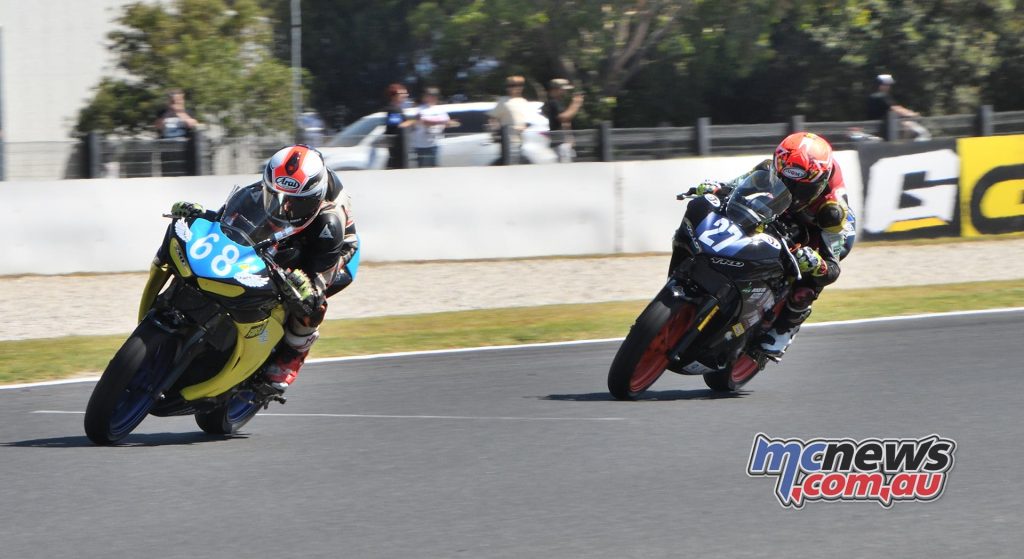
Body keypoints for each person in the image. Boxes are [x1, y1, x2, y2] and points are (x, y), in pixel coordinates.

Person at [170, 145, 359, 391]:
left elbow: (320, 274)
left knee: (310, 304)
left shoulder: (328, 223)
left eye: (295, 203)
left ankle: (292, 357)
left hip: (331, 251)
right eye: (276, 196)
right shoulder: (275, 188)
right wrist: (205, 217)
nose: (285, 207)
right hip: (295, 223)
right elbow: (228, 220)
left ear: (313, 199)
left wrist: (308, 288)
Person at [675, 132, 857, 359]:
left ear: (818, 184)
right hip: (786, 205)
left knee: (808, 282)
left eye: (799, 186)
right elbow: (735, 187)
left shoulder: (832, 210)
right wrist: (717, 188)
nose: (790, 189)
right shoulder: (775, 166)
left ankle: (787, 328)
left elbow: (832, 269)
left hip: (821, 226)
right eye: (783, 180)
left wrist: (817, 264)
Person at [866, 74, 930, 140]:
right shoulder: (881, 96)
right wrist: (913, 114)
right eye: (887, 85)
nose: (889, 87)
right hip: (886, 127)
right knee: (920, 132)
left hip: (879, 128)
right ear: (881, 85)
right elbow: (896, 109)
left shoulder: (872, 96)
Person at [488, 75, 535, 163]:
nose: (516, 88)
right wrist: (495, 132)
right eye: (512, 86)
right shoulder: (503, 101)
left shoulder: (523, 101)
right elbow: (493, 118)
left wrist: (525, 127)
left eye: (520, 85)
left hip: (523, 140)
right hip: (508, 140)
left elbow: (529, 119)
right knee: (508, 163)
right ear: (507, 88)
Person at [543, 78, 584, 162]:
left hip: (562, 143)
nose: (565, 92)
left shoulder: (558, 103)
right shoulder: (552, 103)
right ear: (555, 90)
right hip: (559, 143)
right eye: (563, 89)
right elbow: (564, 118)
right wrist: (576, 104)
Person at [411, 87, 451, 168]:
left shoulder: (440, 109)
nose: (433, 97)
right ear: (425, 97)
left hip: (435, 144)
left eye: (435, 95)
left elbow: (448, 123)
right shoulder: (420, 110)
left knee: (434, 169)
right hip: (422, 145)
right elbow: (425, 122)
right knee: (424, 169)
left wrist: (444, 123)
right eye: (430, 95)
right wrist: (440, 122)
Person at [382, 83, 415, 169]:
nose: (405, 95)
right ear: (394, 96)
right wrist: (414, 121)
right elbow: (397, 124)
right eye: (402, 94)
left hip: (400, 145)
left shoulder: (397, 108)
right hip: (397, 146)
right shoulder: (393, 109)